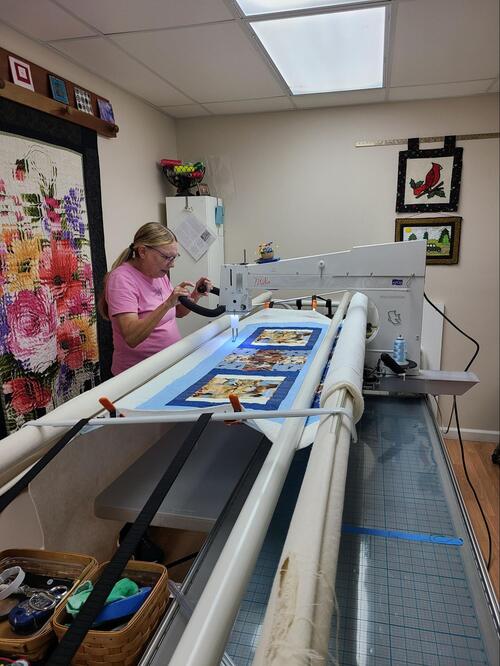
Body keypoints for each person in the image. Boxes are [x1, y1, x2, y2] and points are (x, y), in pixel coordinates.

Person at [99, 222, 212, 375]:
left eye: (174, 257)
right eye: (167, 257)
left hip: (168, 365)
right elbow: (132, 337)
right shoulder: (121, 279)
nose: (172, 265)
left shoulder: (159, 274)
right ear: (142, 251)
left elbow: (178, 312)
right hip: (139, 374)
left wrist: (196, 294)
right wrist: (167, 304)